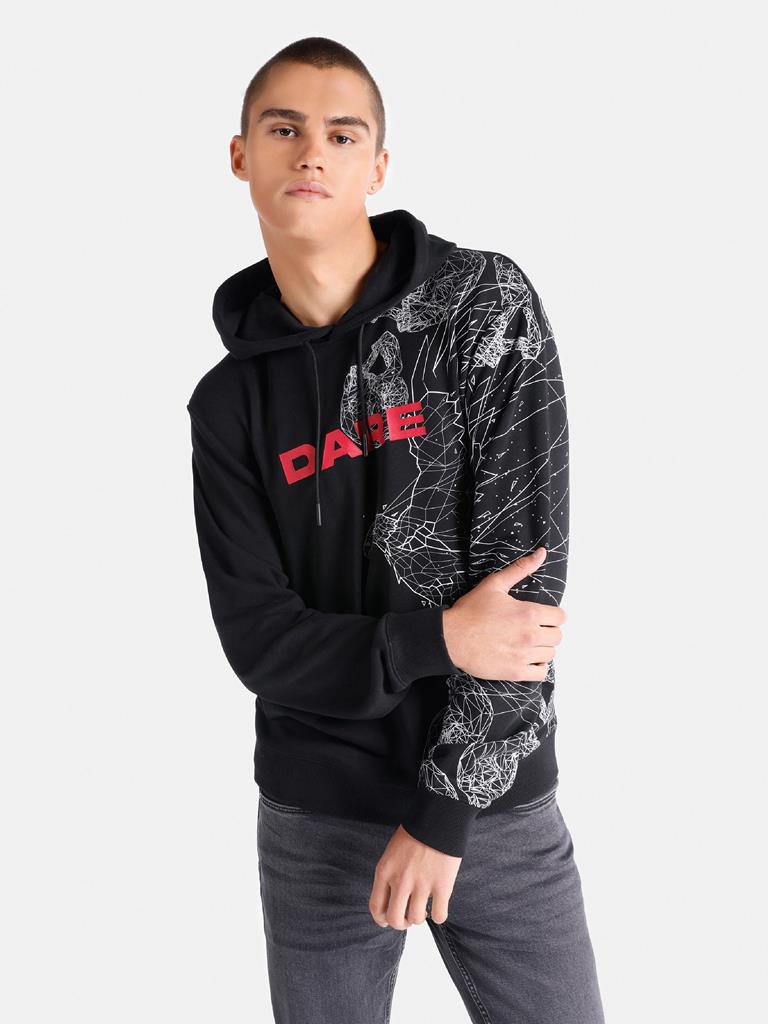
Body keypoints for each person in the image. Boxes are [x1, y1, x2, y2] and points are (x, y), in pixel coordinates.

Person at [187, 35, 605, 1024]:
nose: (311, 153)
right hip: (316, 813)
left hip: (492, 800)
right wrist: (438, 637)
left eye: (342, 134)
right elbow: (258, 638)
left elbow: (524, 600)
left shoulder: (481, 306)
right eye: (283, 129)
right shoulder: (230, 403)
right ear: (240, 154)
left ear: (378, 165)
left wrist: (444, 813)